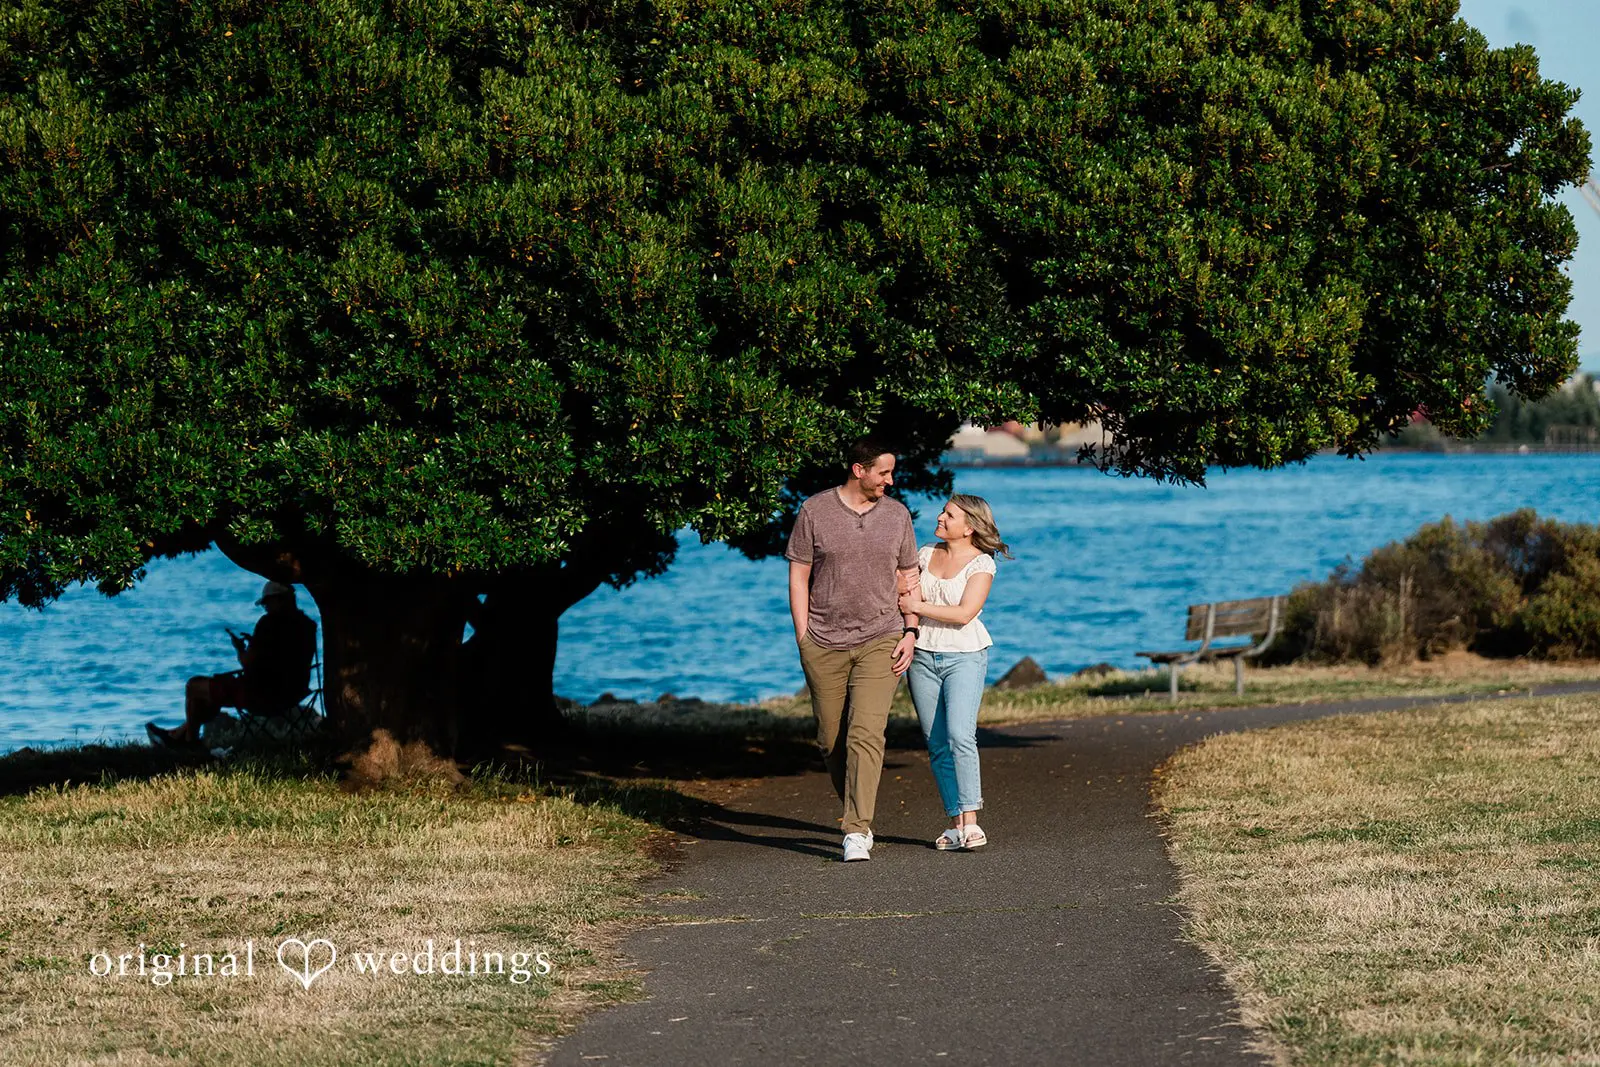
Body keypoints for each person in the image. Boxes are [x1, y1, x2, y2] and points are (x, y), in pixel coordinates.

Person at [786, 438, 921, 862]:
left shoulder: (897, 515)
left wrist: (911, 630)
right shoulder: (814, 511)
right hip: (823, 641)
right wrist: (803, 636)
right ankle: (855, 809)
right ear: (858, 470)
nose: (890, 480)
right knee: (830, 739)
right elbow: (799, 576)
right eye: (883, 472)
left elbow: (909, 576)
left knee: (867, 733)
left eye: (891, 472)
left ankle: (857, 830)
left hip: (881, 636)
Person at [897, 494, 1010, 851]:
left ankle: (972, 822)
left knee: (961, 736)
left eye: (949, 514)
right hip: (923, 656)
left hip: (965, 656)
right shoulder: (926, 553)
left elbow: (965, 613)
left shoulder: (982, 564)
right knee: (936, 742)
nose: (940, 517)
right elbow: (902, 590)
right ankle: (954, 822)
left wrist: (916, 604)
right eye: (943, 512)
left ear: (969, 526)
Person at [147, 580, 318, 748]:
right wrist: (258, 645)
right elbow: (282, 656)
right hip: (293, 693)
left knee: (194, 686)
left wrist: (240, 649)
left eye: (267, 602)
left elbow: (247, 663)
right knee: (208, 696)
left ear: (280, 599)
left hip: (262, 694)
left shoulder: (269, 623)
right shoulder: (307, 626)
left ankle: (189, 743)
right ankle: (177, 735)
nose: (266, 608)